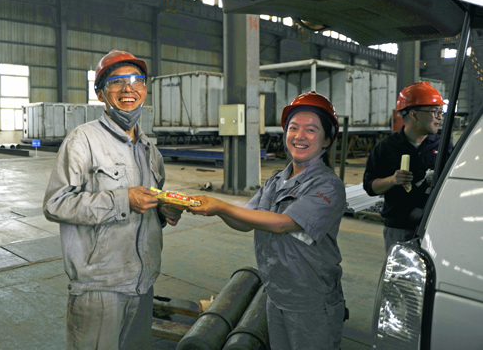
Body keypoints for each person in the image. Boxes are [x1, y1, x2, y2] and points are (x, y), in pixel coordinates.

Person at [43, 50, 182, 350]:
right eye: (117, 82)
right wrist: (122, 200)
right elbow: (56, 203)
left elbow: (148, 206)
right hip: (99, 286)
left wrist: (163, 212)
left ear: (144, 90)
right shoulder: (82, 140)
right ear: (100, 94)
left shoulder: (149, 149)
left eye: (136, 80)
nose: (128, 88)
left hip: (142, 283)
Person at [188, 91, 347, 350]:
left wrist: (221, 204)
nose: (299, 135)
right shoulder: (275, 181)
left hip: (312, 302)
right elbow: (245, 221)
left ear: (327, 139)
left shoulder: (328, 185)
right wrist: (216, 210)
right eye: (293, 128)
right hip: (276, 295)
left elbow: (284, 222)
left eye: (311, 130)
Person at [363, 81, 451, 253]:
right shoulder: (386, 148)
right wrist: (392, 180)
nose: (440, 117)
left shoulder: (443, 146)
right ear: (414, 114)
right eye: (435, 111)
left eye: (441, 111)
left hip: (433, 227)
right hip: (399, 228)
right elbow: (370, 187)